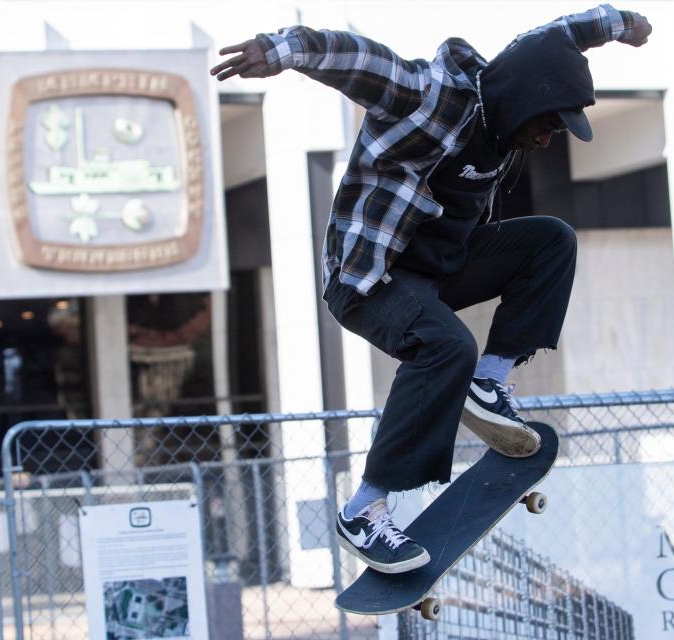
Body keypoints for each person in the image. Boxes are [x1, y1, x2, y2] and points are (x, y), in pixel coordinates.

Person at [212, 4, 651, 574]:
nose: (546, 140)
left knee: (551, 240)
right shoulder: (432, 96)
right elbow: (359, 59)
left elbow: (555, 36)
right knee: (447, 346)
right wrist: (279, 49)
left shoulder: (513, 94)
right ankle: (365, 510)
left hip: (441, 269)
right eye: (546, 124)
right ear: (523, 99)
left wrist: (617, 24)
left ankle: (489, 384)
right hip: (368, 276)